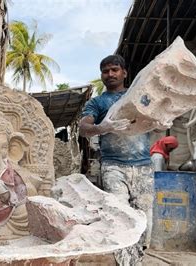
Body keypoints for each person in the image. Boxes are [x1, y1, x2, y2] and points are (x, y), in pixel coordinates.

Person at [78, 55, 154, 249]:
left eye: (114, 70)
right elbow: (84, 127)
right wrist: (103, 127)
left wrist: (160, 123)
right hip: (113, 166)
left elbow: (155, 120)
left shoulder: (139, 96)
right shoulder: (98, 103)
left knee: (145, 217)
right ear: (101, 75)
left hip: (144, 167)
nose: (110, 74)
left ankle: (139, 257)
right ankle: (122, 257)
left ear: (124, 73)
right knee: (121, 215)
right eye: (105, 71)